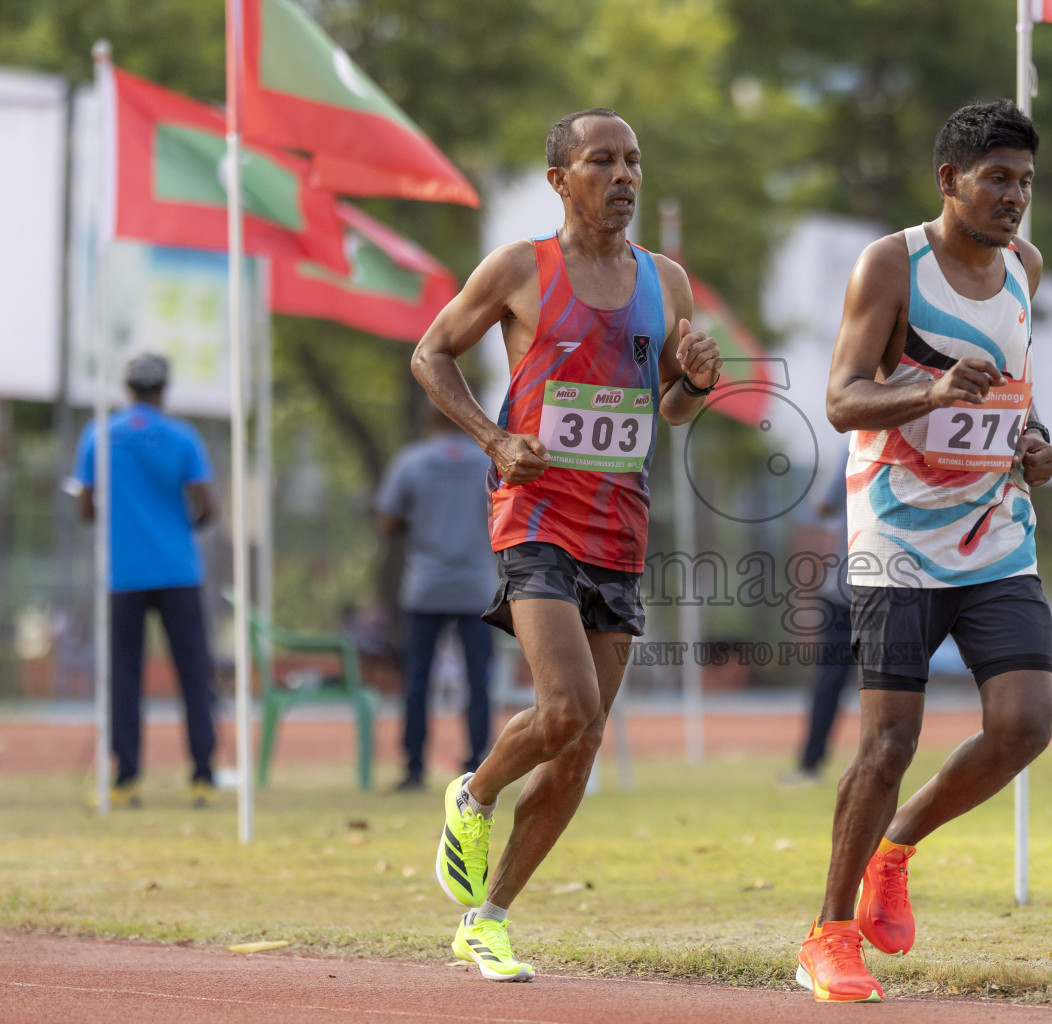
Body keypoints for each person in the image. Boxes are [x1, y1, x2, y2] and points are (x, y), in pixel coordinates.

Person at [410, 108, 722, 982]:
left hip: (619, 527)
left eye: (633, 160)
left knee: (581, 745)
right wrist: (493, 438)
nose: (623, 176)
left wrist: (697, 381)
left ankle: (490, 916)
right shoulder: (520, 268)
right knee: (563, 710)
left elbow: (673, 407)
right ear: (560, 178)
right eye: (601, 161)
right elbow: (430, 354)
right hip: (536, 512)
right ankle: (471, 794)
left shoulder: (668, 282)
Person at [798, 99, 1052, 1003]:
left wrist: (1038, 446)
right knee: (887, 743)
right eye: (997, 178)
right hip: (899, 540)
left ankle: (896, 848)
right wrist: (931, 391)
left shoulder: (1026, 267)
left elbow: (1015, 392)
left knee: (1026, 722)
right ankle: (828, 934)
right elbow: (840, 398)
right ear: (950, 180)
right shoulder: (892, 264)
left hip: (995, 534)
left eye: (1025, 180)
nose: (1015, 197)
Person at [70, 352, 219, 808]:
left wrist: (118, 519)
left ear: (127, 387)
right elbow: (207, 505)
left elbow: (84, 506)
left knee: (123, 677)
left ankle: (127, 778)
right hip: (178, 570)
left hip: (123, 574)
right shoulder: (182, 436)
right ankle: (202, 775)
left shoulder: (99, 433)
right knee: (194, 675)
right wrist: (176, 528)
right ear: (163, 390)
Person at [376, 405, 499, 791]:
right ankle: (477, 766)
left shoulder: (411, 462)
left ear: (431, 420)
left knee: (417, 680)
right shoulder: (488, 461)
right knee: (478, 679)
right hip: (477, 584)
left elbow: (388, 521)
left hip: (425, 585)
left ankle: (414, 767)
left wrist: (423, 520)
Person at [780, 455, 855, 786]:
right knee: (897, 677)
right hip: (891, 584)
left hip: (848, 585)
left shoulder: (856, 442)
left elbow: (824, 505)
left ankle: (810, 764)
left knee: (831, 680)